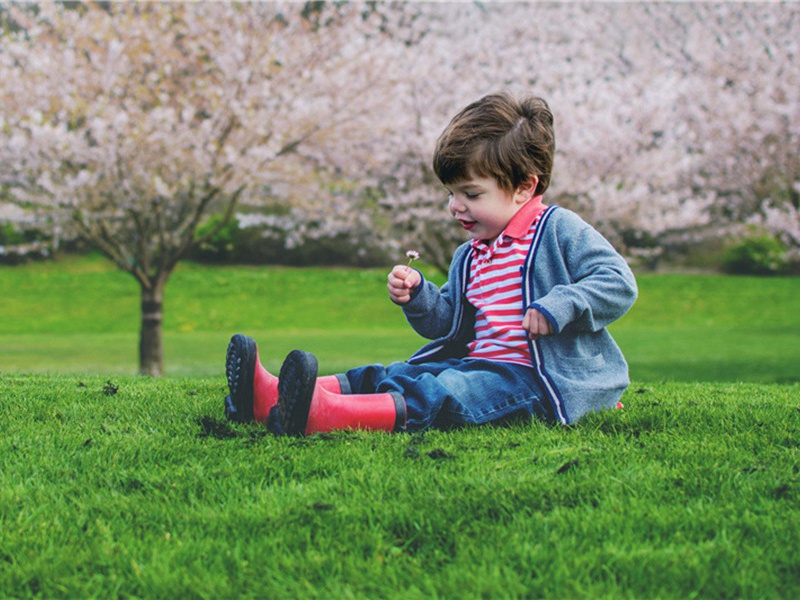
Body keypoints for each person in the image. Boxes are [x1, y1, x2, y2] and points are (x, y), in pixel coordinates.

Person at [224, 92, 638, 436]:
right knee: (397, 372)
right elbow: (447, 325)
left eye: (471, 194)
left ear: (524, 186)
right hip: (476, 364)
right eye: (450, 193)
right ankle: (273, 397)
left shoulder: (558, 230)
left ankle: (330, 414)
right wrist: (419, 296)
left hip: (536, 380)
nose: (456, 207)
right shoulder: (471, 255)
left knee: (448, 392)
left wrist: (561, 305)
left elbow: (618, 282)